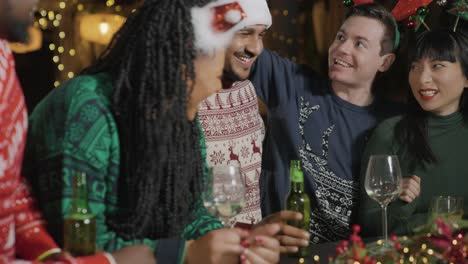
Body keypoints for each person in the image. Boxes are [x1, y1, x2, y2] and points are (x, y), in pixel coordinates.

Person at [23, 0, 280, 263]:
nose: (218, 87)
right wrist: (185, 254)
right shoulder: (86, 109)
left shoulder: (181, 122)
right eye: (217, 76)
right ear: (182, 64)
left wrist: (235, 245)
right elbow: (84, 246)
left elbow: (191, 214)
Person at [0, 0, 155, 263]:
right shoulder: (84, 104)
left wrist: (46, 252)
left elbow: (10, 189)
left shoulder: (4, 56)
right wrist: (110, 262)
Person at [250, 3, 400, 243]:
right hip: (280, 250)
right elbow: (243, 45)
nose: (341, 48)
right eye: (340, 37)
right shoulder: (293, 84)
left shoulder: (394, 123)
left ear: (384, 62)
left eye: (359, 43)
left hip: (349, 256)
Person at [357, 27, 468, 237]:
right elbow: (370, 226)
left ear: (466, 78)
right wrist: (402, 203)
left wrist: (421, 221)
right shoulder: (390, 134)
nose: (422, 79)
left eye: (437, 66)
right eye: (415, 67)